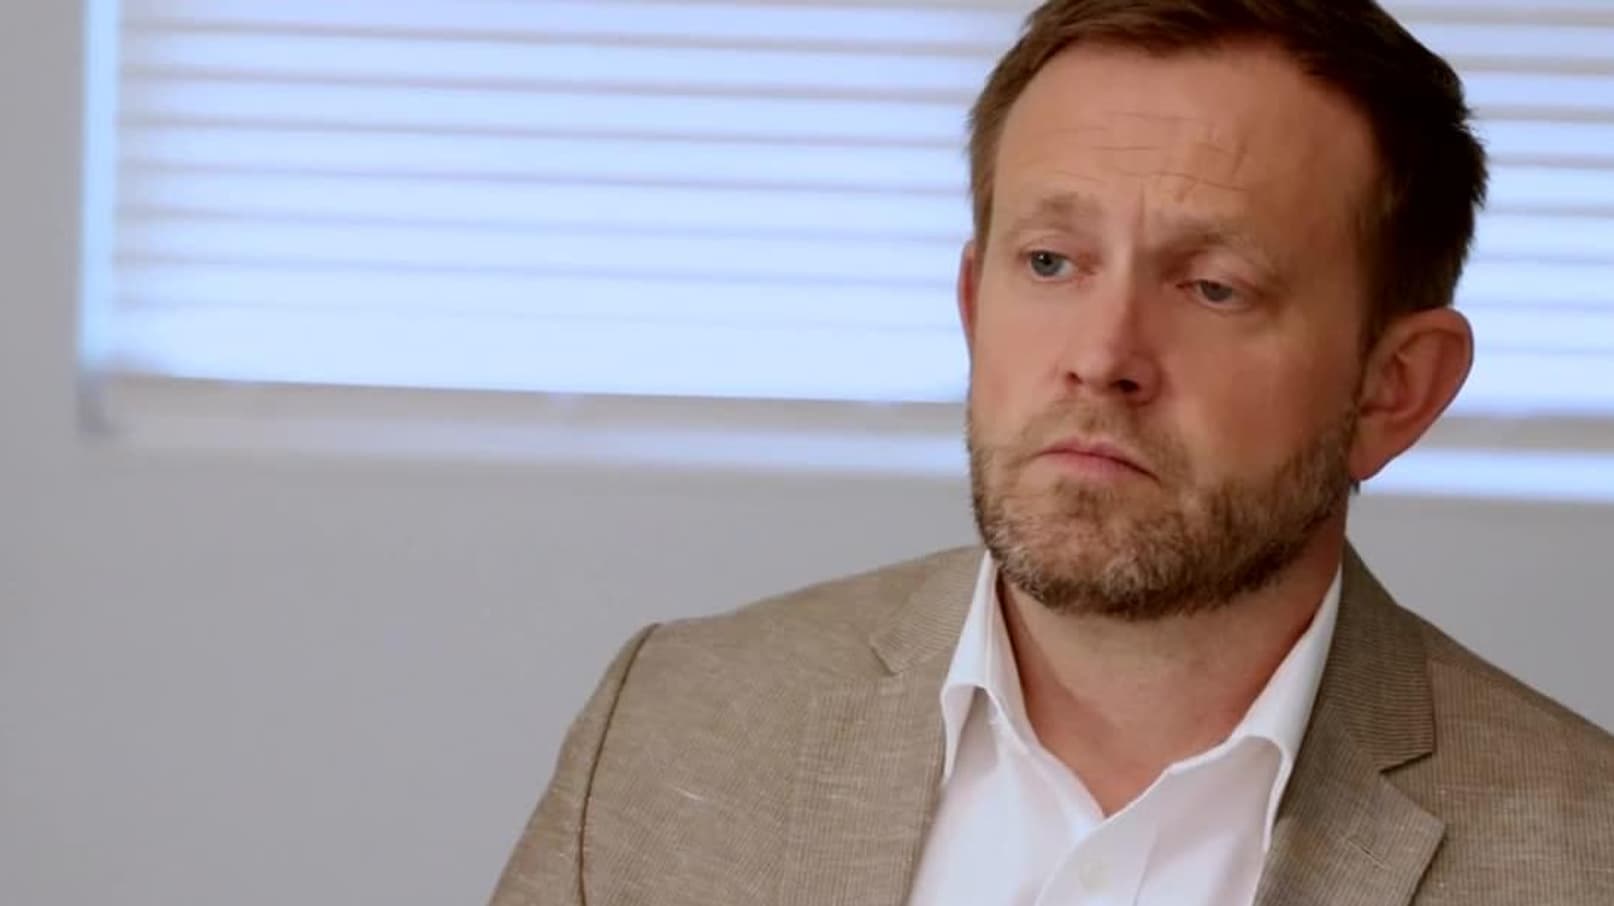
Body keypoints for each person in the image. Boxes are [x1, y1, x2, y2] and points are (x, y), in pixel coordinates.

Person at [490, 1, 1614, 903]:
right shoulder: (672, 725)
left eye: (1213, 287)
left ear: (1393, 390)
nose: (1101, 357)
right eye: (1049, 264)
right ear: (973, 305)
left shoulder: (1580, 858)